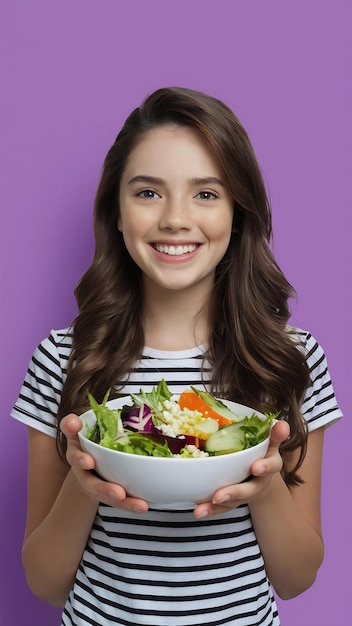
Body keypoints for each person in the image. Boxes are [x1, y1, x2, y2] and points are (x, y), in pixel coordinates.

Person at [11, 86, 342, 626]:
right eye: (148, 193)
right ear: (116, 213)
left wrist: (264, 488)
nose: (174, 219)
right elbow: (45, 585)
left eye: (206, 194)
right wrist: (83, 481)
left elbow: (296, 579)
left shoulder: (290, 359)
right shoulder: (62, 358)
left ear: (238, 214)